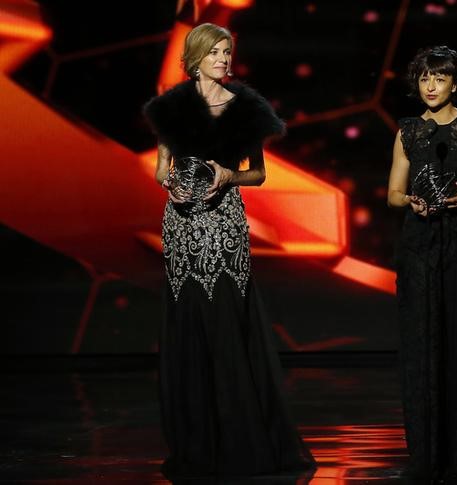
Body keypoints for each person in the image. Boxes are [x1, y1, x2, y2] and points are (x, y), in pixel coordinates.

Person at [142, 23, 315, 479]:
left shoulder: (246, 109)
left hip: (223, 224)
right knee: (191, 321)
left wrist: (227, 176)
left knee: (225, 319)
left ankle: (242, 440)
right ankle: (199, 443)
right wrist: (173, 185)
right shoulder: (171, 108)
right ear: (195, 57)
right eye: (215, 52)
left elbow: (258, 173)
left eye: (226, 51)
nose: (223, 59)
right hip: (181, 225)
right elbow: (161, 168)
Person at [387, 46, 457, 482]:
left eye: (439, 78)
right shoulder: (408, 132)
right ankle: (423, 456)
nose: (430, 86)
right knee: (420, 348)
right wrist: (409, 201)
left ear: (455, 83)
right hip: (417, 249)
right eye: (424, 79)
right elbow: (392, 192)